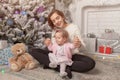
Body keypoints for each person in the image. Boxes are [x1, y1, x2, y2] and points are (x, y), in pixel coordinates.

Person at [29, 9, 95, 79]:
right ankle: (63, 68)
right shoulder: (55, 30)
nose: (56, 22)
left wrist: (78, 45)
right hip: (57, 56)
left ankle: (56, 65)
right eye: (53, 21)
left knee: (90, 63)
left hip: (70, 56)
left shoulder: (73, 27)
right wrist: (48, 44)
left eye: (57, 18)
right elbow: (53, 48)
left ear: (62, 17)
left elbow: (83, 47)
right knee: (33, 51)